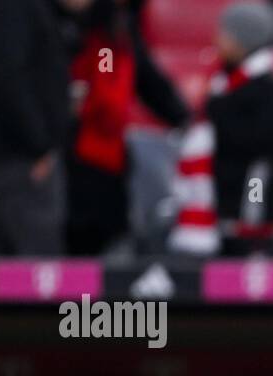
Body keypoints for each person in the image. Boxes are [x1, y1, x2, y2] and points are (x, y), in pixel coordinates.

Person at [63, 0, 190, 255]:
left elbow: (147, 82)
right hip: (76, 155)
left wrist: (184, 118)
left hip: (108, 158)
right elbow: (103, 91)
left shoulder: (121, 32)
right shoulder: (80, 32)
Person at [0, 0, 78, 256]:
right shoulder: (9, 7)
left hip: (3, 160)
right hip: (20, 163)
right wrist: (39, 146)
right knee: (35, 275)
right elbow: (7, 78)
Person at [168, 2, 273, 256]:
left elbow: (263, 143)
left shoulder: (265, 88)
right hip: (223, 204)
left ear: (243, 40)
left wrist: (219, 116)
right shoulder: (225, 83)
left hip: (252, 203)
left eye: (225, 34)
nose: (217, 40)